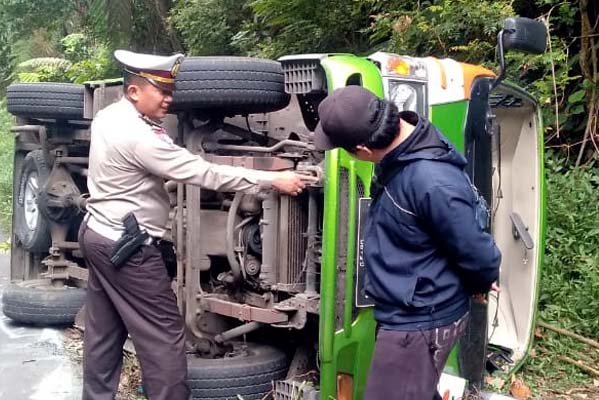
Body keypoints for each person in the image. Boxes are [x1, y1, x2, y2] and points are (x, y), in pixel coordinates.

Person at [79, 50, 315, 400]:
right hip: (129, 248)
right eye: (161, 91)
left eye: (170, 90)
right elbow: (204, 172)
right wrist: (271, 179)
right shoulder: (139, 137)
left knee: (104, 332)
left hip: (98, 232)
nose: (169, 99)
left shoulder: (108, 116)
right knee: (163, 337)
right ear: (133, 92)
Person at [313, 86, 501, 400]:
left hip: (420, 321)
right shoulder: (408, 141)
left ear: (361, 149)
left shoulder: (430, 181)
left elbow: (476, 250)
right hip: (413, 309)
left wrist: (481, 280)